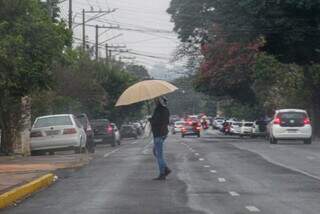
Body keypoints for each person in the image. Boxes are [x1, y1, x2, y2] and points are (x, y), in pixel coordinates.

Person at [149, 96, 171, 180]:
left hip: (158, 134)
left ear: (159, 101)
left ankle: (162, 173)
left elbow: (157, 122)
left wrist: (151, 120)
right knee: (156, 152)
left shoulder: (159, 110)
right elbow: (167, 121)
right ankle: (165, 168)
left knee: (159, 155)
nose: (154, 101)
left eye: (156, 100)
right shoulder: (165, 110)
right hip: (163, 133)